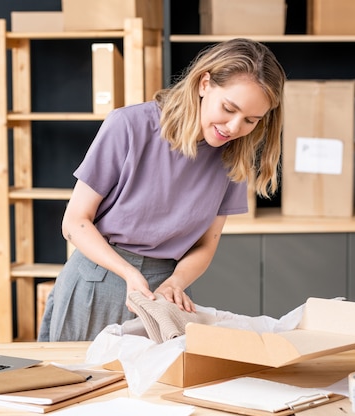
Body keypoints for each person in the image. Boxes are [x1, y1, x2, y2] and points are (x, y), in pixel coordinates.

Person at [38, 38, 285, 342]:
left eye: (250, 120)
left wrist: (176, 282)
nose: (234, 128)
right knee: (80, 383)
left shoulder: (234, 157)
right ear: (204, 83)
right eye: (229, 109)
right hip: (97, 282)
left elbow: (205, 245)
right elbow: (75, 222)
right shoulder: (129, 125)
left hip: (167, 294)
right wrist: (128, 273)